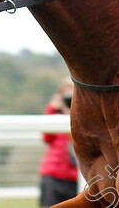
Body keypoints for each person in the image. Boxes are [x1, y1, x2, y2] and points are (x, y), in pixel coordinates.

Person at [39, 77, 77, 208]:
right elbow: (46, 138)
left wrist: (73, 113)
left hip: (76, 177)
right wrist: (52, 109)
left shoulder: (84, 117)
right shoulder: (55, 116)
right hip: (54, 175)